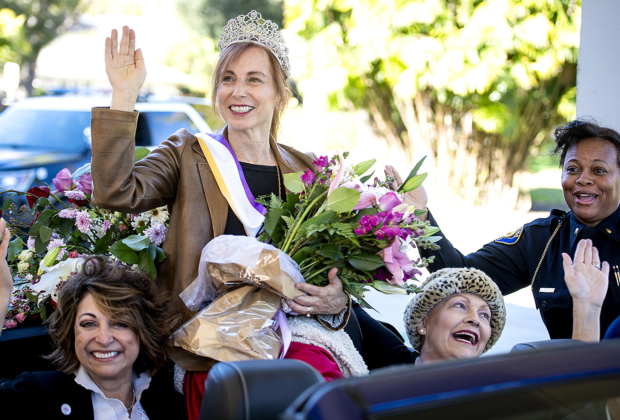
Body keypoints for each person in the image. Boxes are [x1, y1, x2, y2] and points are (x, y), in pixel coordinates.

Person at [91, 11, 413, 419]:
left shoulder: (309, 171)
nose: (237, 91)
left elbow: (332, 272)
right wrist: (124, 96)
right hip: (208, 339)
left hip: (294, 336)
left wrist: (335, 299)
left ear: (281, 95)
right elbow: (115, 191)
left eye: (254, 79)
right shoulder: (188, 153)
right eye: (227, 78)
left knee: (323, 391)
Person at [404, 118, 620, 340]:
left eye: (599, 170)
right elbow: (462, 277)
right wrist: (420, 216)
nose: (584, 179)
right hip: (569, 363)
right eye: (573, 169)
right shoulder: (540, 239)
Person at [0, 223, 185, 419]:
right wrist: (3, 292)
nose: (104, 339)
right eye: (89, 324)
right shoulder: (38, 394)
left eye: (120, 323)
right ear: (71, 333)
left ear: (142, 332)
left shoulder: (170, 394)